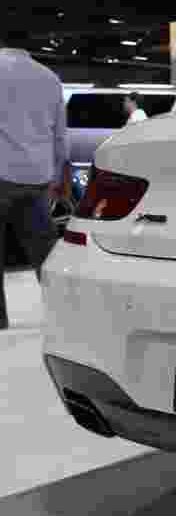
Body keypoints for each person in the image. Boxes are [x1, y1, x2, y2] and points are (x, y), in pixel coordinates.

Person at [0, 30, 69, 329]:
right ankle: (66, 315)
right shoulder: (50, 78)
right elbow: (60, 136)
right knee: (46, 254)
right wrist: (58, 177)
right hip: (37, 179)